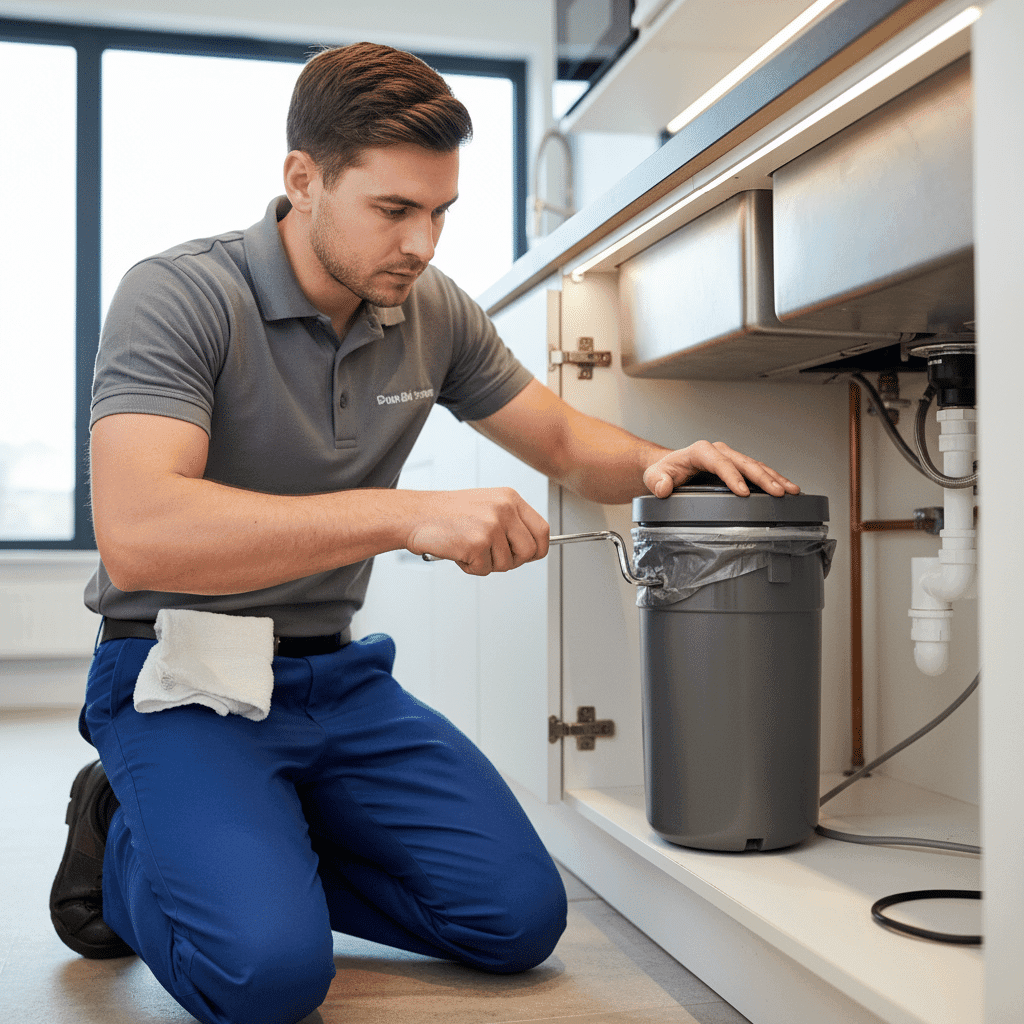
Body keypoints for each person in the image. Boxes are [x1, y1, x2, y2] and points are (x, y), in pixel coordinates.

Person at [49, 41, 799, 1024]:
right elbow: (142, 533)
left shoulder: (426, 309)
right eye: (394, 209)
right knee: (267, 979)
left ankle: (253, 841)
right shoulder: (183, 295)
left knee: (516, 920)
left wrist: (664, 462)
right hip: (180, 673)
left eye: (440, 211)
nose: (424, 242)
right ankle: (126, 833)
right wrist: (408, 513)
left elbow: (566, 440)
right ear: (301, 180)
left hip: (332, 678)